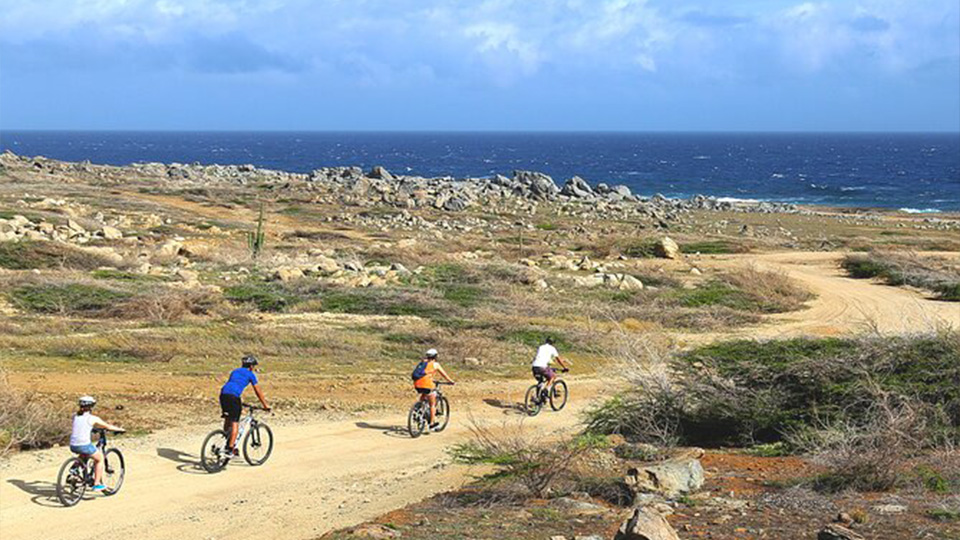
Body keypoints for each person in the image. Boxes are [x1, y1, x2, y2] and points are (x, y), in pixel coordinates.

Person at [70, 395, 125, 491]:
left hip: (73, 445)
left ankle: (74, 468)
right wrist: (120, 429)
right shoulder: (92, 418)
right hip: (84, 445)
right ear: (91, 406)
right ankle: (97, 483)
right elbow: (107, 426)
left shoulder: (75, 416)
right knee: (99, 459)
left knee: (84, 453)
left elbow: (81, 427)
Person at [220, 354, 270, 455]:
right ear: (251, 366)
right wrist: (265, 405)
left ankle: (227, 438)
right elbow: (258, 391)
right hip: (234, 397)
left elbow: (233, 385)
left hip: (223, 395)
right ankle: (230, 449)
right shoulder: (251, 374)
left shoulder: (235, 371)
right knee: (235, 423)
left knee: (228, 418)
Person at [412, 348, 455, 432]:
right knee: (432, 404)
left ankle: (418, 408)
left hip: (417, 384)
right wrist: (451, 381)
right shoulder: (435, 364)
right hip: (427, 385)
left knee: (424, 393)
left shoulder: (422, 362)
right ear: (435, 356)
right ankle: (431, 424)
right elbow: (444, 375)